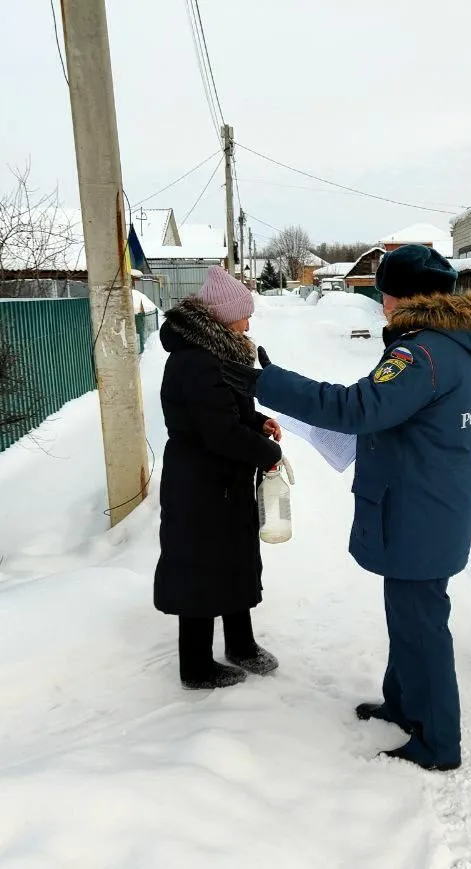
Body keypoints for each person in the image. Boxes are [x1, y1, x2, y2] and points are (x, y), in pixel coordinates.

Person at [223, 244, 471, 772]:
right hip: (431, 501)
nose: (380, 304)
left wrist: (266, 384)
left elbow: (358, 407)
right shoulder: (455, 343)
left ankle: (439, 741)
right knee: (407, 614)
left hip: (419, 508)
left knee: (423, 625)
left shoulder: (422, 353)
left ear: (406, 295)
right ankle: (403, 702)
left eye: (384, 293)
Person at [153, 266, 284, 691]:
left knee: (233, 561)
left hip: (222, 481)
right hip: (200, 484)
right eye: (245, 314)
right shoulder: (197, 360)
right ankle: (195, 666)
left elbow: (231, 410)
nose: (250, 321)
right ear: (225, 316)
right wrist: (269, 453)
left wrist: (258, 421)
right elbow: (219, 431)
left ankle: (241, 645)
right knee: (199, 567)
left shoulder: (218, 352)